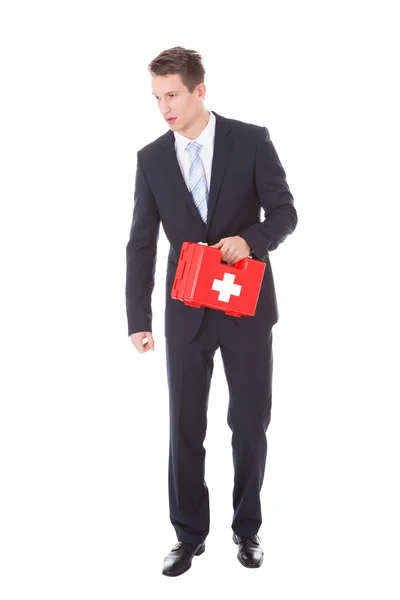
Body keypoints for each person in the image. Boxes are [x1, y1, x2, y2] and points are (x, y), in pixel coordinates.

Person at [125, 46, 298, 577]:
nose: (165, 108)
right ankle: (188, 535)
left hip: (245, 308)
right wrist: (138, 319)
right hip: (186, 312)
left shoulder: (250, 140)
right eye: (157, 98)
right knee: (184, 426)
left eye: (172, 94)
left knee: (249, 423)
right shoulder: (152, 158)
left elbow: (286, 212)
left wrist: (252, 240)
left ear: (200, 91)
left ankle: (247, 529)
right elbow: (141, 243)